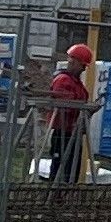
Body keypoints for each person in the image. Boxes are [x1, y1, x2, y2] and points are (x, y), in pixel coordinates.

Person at [44, 36, 98, 183]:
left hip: (73, 133)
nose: (83, 69)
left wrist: (88, 110)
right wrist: (83, 108)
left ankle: (65, 197)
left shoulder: (76, 82)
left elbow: (80, 101)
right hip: (63, 133)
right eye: (82, 66)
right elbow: (65, 105)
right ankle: (55, 198)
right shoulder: (63, 80)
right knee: (61, 169)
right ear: (74, 62)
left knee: (71, 170)